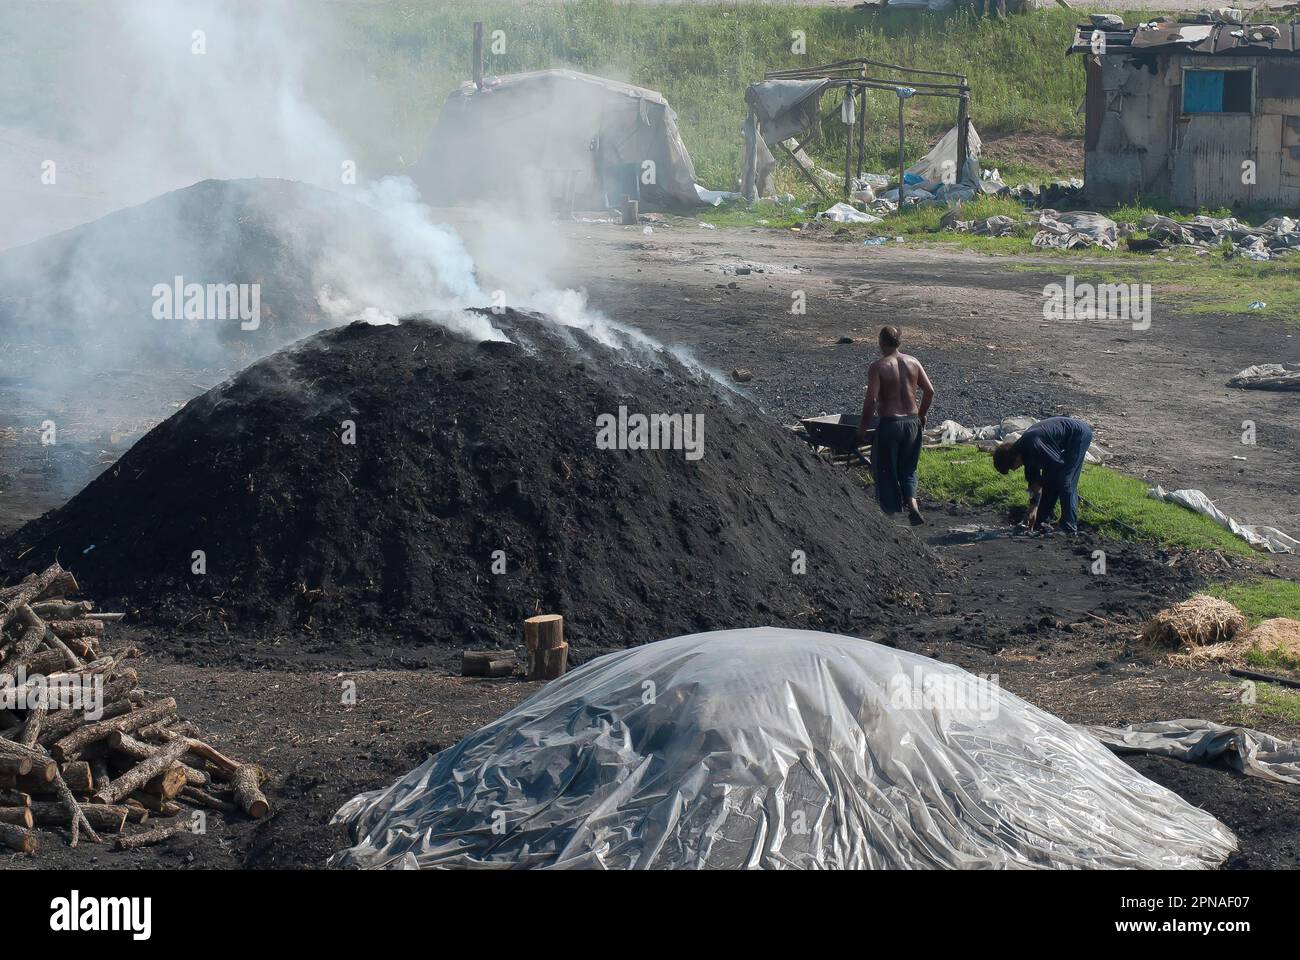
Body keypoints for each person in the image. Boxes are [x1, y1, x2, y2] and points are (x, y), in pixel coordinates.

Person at [856, 325, 935, 525]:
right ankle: (913, 506)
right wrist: (922, 415)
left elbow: (872, 401)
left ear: (881, 342)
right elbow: (929, 391)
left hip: (890, 424)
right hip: (912, 423)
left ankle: (889, 517)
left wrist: (863, 428)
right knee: (909, 469)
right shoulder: (913, 362)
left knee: (885, 469)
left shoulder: (879, 366)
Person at [992, 416, 1094, 534]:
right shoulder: (1025, 456)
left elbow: (1058, 465)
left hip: (1079, 435)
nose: (1014, 470)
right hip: (1062, 442)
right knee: (1050, 480)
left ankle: (1069, 526)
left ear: (1014, 457)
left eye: (1011, 467)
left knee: (1065, 481)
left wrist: (1042, 482)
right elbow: (1034, 484)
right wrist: (1032, 509)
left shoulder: (1034, 444)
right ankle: (1040, 520)